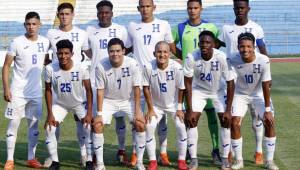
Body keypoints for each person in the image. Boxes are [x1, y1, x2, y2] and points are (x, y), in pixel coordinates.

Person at [172, 0, 223, 164]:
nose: (192, 11)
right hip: (190, 80)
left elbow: (219, 44)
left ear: (201, 9)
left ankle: (215, 150)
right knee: (191, 116)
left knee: (212, 115)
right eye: (190, 8)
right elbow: (170, 44)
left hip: (209, 78)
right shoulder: (180, 28)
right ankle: (189, 150)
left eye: (195, 8)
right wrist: (185, 59)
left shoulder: (212, 28)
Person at [219, 0, 270, 164]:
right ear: (233, 9)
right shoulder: (226, 29)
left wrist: (267, 76)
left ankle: (259, 151)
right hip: (234, 81)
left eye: (242, 8)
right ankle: (231, 153)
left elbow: (263, 51)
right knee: (232, 120)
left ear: (248, 8)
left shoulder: (256, 27)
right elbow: (216, 45)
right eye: (236, 8)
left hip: (254, 80)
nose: (239, 10)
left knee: (257, 119)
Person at [127, 0, 175, 166]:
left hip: (160, 77)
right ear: (138, 8)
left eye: (148, 6)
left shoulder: (163, 24)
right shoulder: (132, 26)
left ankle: (163, 153)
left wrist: (185, 61)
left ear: (154, 7)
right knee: (139, 118)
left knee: (161, 119)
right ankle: (135, 152)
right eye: (142, 6)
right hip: (140, 79)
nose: (145, 9)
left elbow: (171, 48)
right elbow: (126, 49)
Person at [45, 3, 92, 167]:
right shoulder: (51, 33)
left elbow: (88, 53)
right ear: (58, 15)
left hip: (78, 83)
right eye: (61, 14)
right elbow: (46, 56)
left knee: (82, 123)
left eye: (67, 13)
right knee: (53, 123)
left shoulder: (82, 33)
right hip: (60, 82)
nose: (64, 16)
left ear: (73, 15)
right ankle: (53, 156)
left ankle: (84, 154)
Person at [2, 11, 50, 170]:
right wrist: (6, 88)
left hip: (36, 92)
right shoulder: (16, 42)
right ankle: (10, 160)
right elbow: (7, 65)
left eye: (34, 24)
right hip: (17, 92)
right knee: (14, 124)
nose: (31, 27)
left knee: (34, 127)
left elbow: (46, 61)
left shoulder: (45, 42)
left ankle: (31, 158)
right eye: (28, 24)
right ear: (24, 25)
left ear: (39, 25)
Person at [86, 0, 131, 164]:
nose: (103, 15)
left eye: (106, 12)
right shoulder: (90, 30)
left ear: (112, 13)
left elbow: (127, 49)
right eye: (100, 12)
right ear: (97, 13)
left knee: (120, 118)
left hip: (117, 81)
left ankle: (121, 150)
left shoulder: (121, 30)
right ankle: (94, 157)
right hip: (95, 81)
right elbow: (88, 51)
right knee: (95, 120)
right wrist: (100, 63)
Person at [183, 31, 234, 170]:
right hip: (199, 90)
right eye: (202, 42)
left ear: (214, 44)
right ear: (198, 43)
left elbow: (230, 82)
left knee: (225, 120)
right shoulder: (191, 56)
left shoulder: (222, 57)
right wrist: (189, 109)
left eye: (208, 42)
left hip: (218, 90)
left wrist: (229, 110)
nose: (204, 45)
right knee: (192, 120)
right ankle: (193, 159)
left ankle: (224, 159)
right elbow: (187, 83)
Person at [93, 38, 146, 170]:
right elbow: (100, 90)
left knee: (140, 123)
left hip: (128, 100)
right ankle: (100, 164)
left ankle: (139, 162)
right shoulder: (101, 66)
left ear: (123, 51)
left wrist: (138, 110)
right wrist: (99, 114)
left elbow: (137, 88)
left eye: (118, 51)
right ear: (108, 52)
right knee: (97, 125)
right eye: (111, 51)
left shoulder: (133, 64)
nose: (115, 54)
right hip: (108, 100)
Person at [229, 32, 278, 170]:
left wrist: (267, 110)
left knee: (269, 122)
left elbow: (266, 84)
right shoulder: (232, 58)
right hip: (240, 94)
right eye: (242, 46)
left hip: (259, 94)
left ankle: (269, 161)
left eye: (249, 46)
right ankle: (239, 160)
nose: (245, 49)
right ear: (238, 47)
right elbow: (230, 82)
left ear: (254, 47)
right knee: (234, 123)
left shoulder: (263, 60)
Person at [143, 41, 188, 170]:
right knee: (150, 126)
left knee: (180, 126)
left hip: (173, 105)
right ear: (154, 53)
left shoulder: (177, 67)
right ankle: (152, 162)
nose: (162, 55)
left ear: (169, 54)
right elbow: (146, 88)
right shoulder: (148, 67)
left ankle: (181, 161)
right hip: (156, 105)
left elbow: (181, 88)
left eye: (165, 52)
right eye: (159, 52)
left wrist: (179, 108)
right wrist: (150, 109)